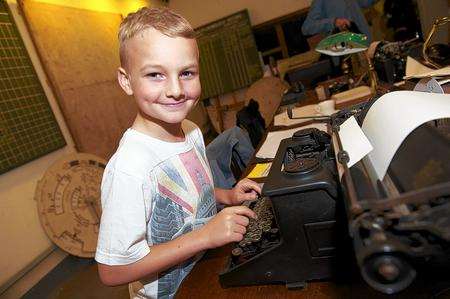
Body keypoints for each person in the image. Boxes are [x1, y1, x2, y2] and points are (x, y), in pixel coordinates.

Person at [95, 7, 261, 299]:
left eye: (186, 73)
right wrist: (204, 237)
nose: (175, 90)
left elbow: (194, 196)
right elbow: (112, 271)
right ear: (126, 80)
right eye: (155, 74)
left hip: (205, 273)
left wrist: (227, 195)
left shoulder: (192, 130)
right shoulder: (130, 168)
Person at [302, 0, 378, 42]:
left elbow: (365, 2)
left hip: (366, 44)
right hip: (346, 54)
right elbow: (307, 27)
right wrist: (334, 22)